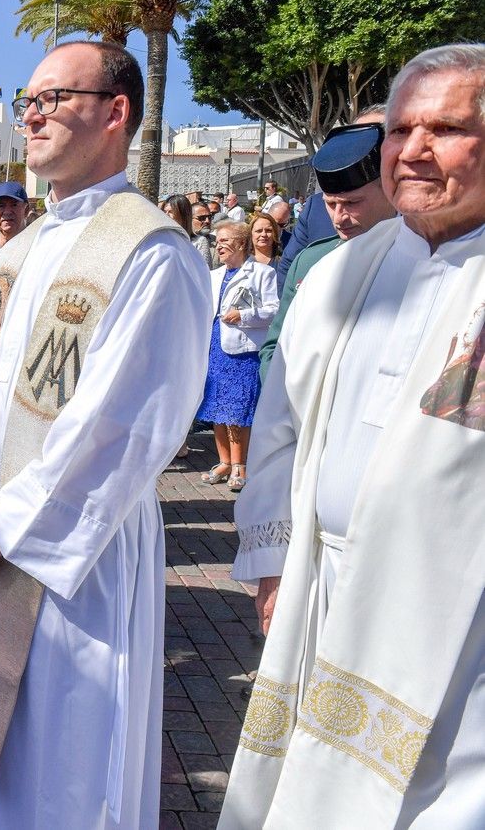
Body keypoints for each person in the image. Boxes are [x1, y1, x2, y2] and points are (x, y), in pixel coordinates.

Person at [0, 41, 210, 829]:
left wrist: (2, 520)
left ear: (115, 112)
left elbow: (124, 424)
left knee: (55, 761)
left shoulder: (153, 252)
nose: (29, 115)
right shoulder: (19, 247)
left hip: (72, 554)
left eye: (51, 99)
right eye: (27, 100)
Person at [221, 43, 485, 829]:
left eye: (446, 128)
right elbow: (280, 425)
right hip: (322, 587)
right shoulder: (339, 272)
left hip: (457, 620)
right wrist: (271, 559)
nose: (414, 150)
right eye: (402, 129)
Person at [258, 111, 391, 380]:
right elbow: (275, 347)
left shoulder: (424, 260)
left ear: (391, 189)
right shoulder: (310, 261)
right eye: (331, 204)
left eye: (353, 203)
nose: (339, 218)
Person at [195, 220, 278, 492]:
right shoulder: (213, 275)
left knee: (238, 409)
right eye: (217, 240)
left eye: (224, 240)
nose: (218, 245)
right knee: (218, 408)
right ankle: (223, 462)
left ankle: (240, 465)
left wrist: (243, 315)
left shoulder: (262, 273)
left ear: (241, 243)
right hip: (215, 348)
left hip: (241, 352)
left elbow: (274, 310)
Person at [191, 201, 218, 268]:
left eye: (209, 217)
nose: (207, 221)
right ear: (189, 219)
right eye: (202, 218)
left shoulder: (218, 241)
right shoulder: (183, 242)